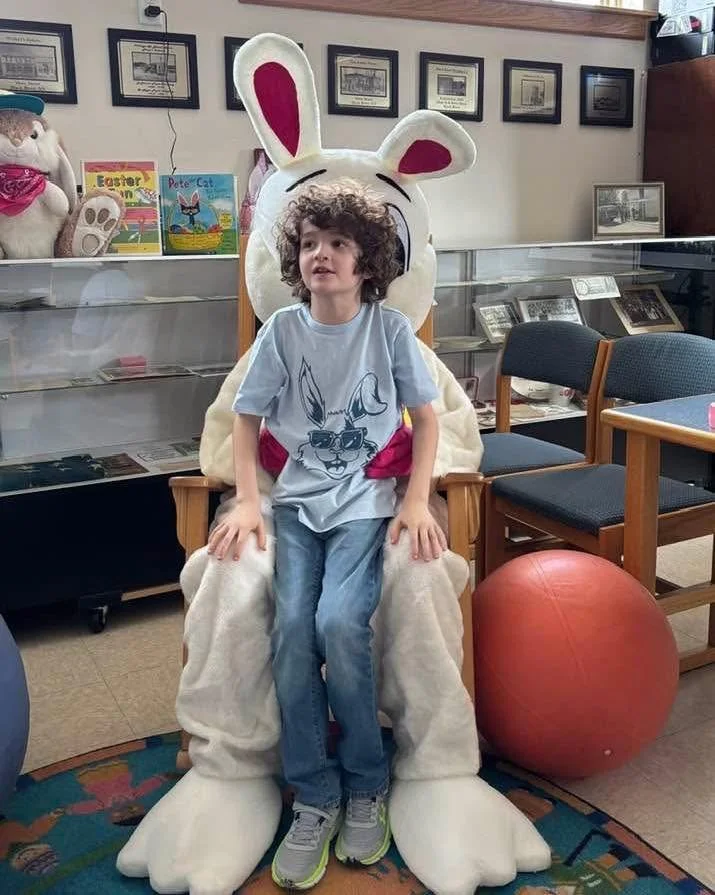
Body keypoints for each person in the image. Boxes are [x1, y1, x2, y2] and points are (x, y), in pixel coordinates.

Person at [206, 179, 445, 890]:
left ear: (367, 261)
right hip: (295, 508)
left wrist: (417, 500)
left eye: (339, 243)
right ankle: (315, 792)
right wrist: (249, 502)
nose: (322, 255)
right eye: (310, 243)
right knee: (290, 631)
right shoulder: (281, 331)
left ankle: (366, 780)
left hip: (364, 506)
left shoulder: (389, 331)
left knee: (340, 623)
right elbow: (245, 419)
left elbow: (427, 419)